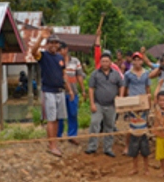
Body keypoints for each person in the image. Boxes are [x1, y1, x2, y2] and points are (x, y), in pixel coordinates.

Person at [28, 30, 75, 158]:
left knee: (58, 119)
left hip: (60, 91)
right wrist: (40, 37)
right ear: (47, 44)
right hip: (49, 91)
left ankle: (55, 143)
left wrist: (69, 90)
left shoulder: (60, 58)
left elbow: (63, 74)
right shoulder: (43, 56)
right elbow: (33, 52)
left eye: (56, 43)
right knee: (51, 119)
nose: (54, 45)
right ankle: (52, 146)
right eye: (51, 42)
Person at [85, 51, 125, 157]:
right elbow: (91, 88)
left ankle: (108, 148)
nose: (105, 63)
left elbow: (121, 85)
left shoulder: (116, 74)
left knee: (110, 126)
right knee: (94, 123)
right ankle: (92, 146)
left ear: (110, 62)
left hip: (112, 105)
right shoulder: (95, 74)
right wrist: (92, 103)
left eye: (107, 61)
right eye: (103, 61)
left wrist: (120, 97)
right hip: (98, 103)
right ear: (100, 62)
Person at [57, 41, 86, 144]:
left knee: (73, 113)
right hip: (60, 92)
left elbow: (79, 76)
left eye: (61, 49)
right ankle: (58, 136)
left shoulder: (75, 61)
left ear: (66, 49)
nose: (60, 51)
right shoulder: (57, 60)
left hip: (73, 92)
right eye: (58, 50)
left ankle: (72, 135)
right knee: (60, 115)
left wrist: (83, 90)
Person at [123, 52, 151, 156]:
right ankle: (127, 146)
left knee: (143, 124)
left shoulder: (146, 73)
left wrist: (149, 102)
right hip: (132, 102)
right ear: (132, 61)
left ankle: (143, 147)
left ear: (142, 61)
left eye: (139, 59)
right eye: (135, 59)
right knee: (132, 126)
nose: (137, 61)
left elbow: (148, 88)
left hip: (143, 101)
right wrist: (124, 101)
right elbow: (125, 88)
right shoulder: (128, 74)